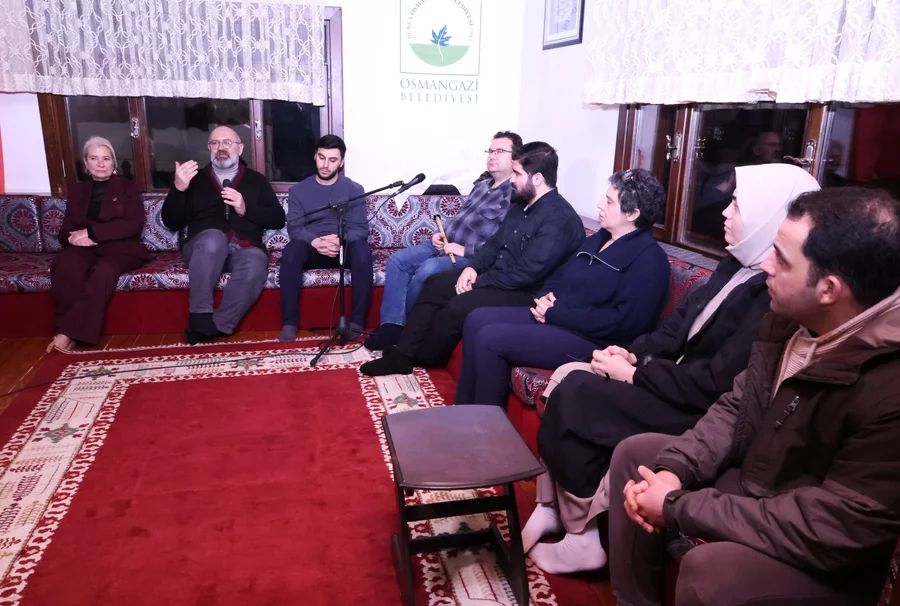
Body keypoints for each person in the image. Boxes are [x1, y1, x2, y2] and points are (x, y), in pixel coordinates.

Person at [522, 164, 820, 574]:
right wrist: (632, 354)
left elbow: (715, 382)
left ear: (768, 214)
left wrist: (635, 375)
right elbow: (678, 326)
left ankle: (581, 535)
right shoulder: (734, 263)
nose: (724, 212)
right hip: (670, 378)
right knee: (567, 377)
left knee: (577, 394)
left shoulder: (772, 294)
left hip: (697, 406)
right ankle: (550, 506)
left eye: (736, 205)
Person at [610, 187, 900, 606]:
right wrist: (674, 470)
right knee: (637, 456)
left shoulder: (888, 384)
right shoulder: (791, 319)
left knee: (710, 575)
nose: (765, 264)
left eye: (781, 258)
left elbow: (835, 525)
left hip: (824, 547)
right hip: (760, 483)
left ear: (828, 289)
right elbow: (736, 407)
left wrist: (677, 505)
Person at [359, 141, 584, 377]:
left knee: (458, 304)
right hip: (500, 278)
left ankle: (424, 356)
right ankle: (403, 354)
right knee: (435, 284)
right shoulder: (521, 205)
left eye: (517, 173)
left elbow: (526, 274)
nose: (512, 179)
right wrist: (473, 268)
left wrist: (477, 282)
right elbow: (494, 244)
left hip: (526, 292)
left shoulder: (559, 219)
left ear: (537, 178)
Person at [453, 168, 670, 408]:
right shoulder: (600, 238)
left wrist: (555, 313)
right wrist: (545, 298)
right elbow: (561, 274)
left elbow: (623, 324)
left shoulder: (650, 260)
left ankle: (485, 424)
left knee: (490, 338)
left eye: (609, 202)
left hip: (592, 340)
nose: (600, 204)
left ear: (633, 214)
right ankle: (463, 410)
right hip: (558, 317)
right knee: (475, 319)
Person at [364, 131, 521, 351]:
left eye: (500, 151)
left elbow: (502, 242)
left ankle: (408, 328)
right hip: (443, 243)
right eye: (491, 151)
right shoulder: (481, 186)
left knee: (429, 269)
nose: (492, 156)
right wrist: (441, 233)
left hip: (469, 255)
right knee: (398, 260)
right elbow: (460, 218)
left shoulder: (514, 195)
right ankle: (392, 326)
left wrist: (464, 250)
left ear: (515, 158)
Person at [161, 126, 285, 344]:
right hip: (202, 250)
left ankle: (216, 325)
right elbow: (171, 222)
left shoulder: (256, 181)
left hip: (243, 248)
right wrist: (178, 189)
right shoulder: (195, 180)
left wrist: (245, 208)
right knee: (214, 238)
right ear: (209, 148)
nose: (221, 147)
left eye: (227, 142)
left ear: (240, 148)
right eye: (215, 143)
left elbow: (278, 219)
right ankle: (200, 315)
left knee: (256, 260)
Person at [48, 137, 150, 353]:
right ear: (86, 163)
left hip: (121, 249)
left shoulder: (128, 187)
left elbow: (133, 225)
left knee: (103, 270)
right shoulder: (77, 190)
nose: (101, 164)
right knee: (67, 263)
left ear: (113, 162)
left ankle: (66, 334)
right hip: (85, 247)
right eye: (94, 158)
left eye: (106, 159)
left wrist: (92, 232)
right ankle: (70, 331)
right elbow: (66, 230)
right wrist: (75, 238)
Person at [278, 135, 371, 342]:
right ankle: (289, 323)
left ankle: (357, 322)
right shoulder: (298, 191)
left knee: (362, 251)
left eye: (332, 160)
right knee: (291, 251)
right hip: (312, 247)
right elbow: (295, 227)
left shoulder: (355, 190)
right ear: (315, 156)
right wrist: (316, 242)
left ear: (341, 162)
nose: (325, 165)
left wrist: (340, 240)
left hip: (342, 246)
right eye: (321, 158)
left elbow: (360, 229)